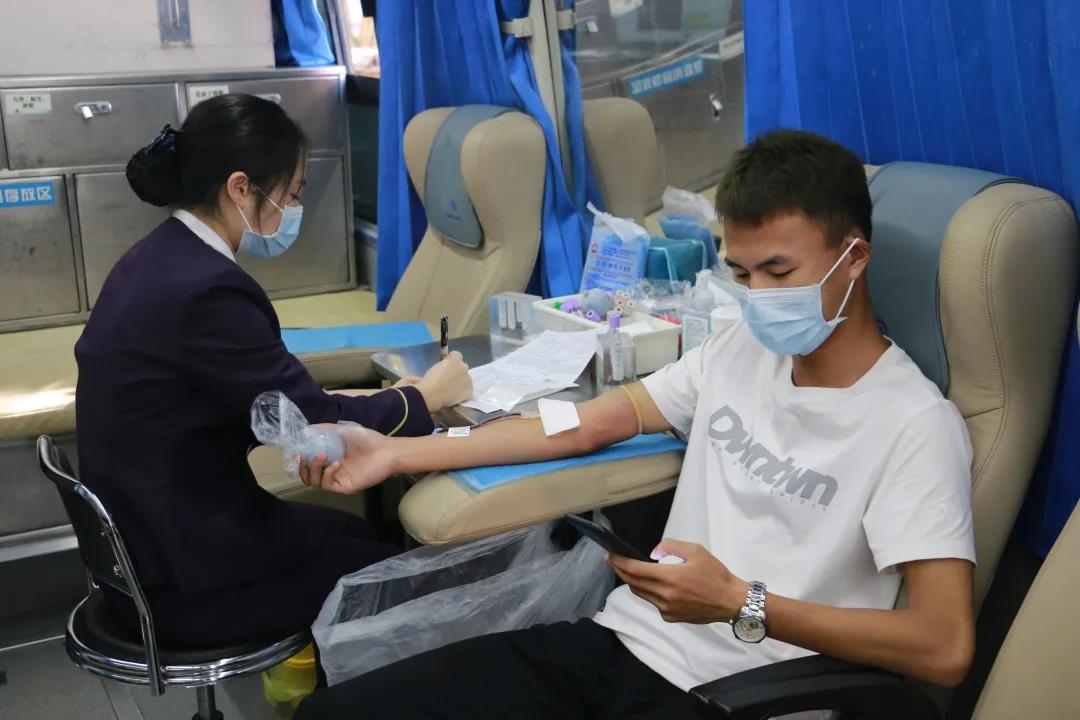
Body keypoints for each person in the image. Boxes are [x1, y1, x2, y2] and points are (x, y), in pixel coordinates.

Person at [294, 129, 977, 720]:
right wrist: (396, 452)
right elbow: (584, 426)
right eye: (742, 273)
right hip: (623, 646)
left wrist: (738, 602)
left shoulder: (913, 423)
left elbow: (943, 646)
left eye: (779, 270)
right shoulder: (740, 348)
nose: (759, 297)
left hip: (741, 696)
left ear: (854, 257)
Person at [75, 94, 472, 648]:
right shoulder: (207, 289)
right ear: (240, 188)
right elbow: (312, 421)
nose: (293, 210)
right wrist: (424, 397)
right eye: (292, 194)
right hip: (184, 582)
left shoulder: (156, 257)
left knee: (351, 530)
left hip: (143, 550)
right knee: (386, 569)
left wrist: (359, 399)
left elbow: (255, 401)